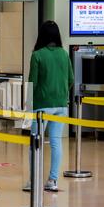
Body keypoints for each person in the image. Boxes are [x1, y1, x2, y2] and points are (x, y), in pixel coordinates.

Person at [26, 21, 74, 192]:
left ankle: (33, 180)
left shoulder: (37, 55)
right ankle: (53, 180)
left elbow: (33, 82)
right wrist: (60, 94)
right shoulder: (64, 54)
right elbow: (71, 80)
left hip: (41, 106)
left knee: (35, 143)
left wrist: (29, 103)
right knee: (55, 143)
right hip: (61, 105)